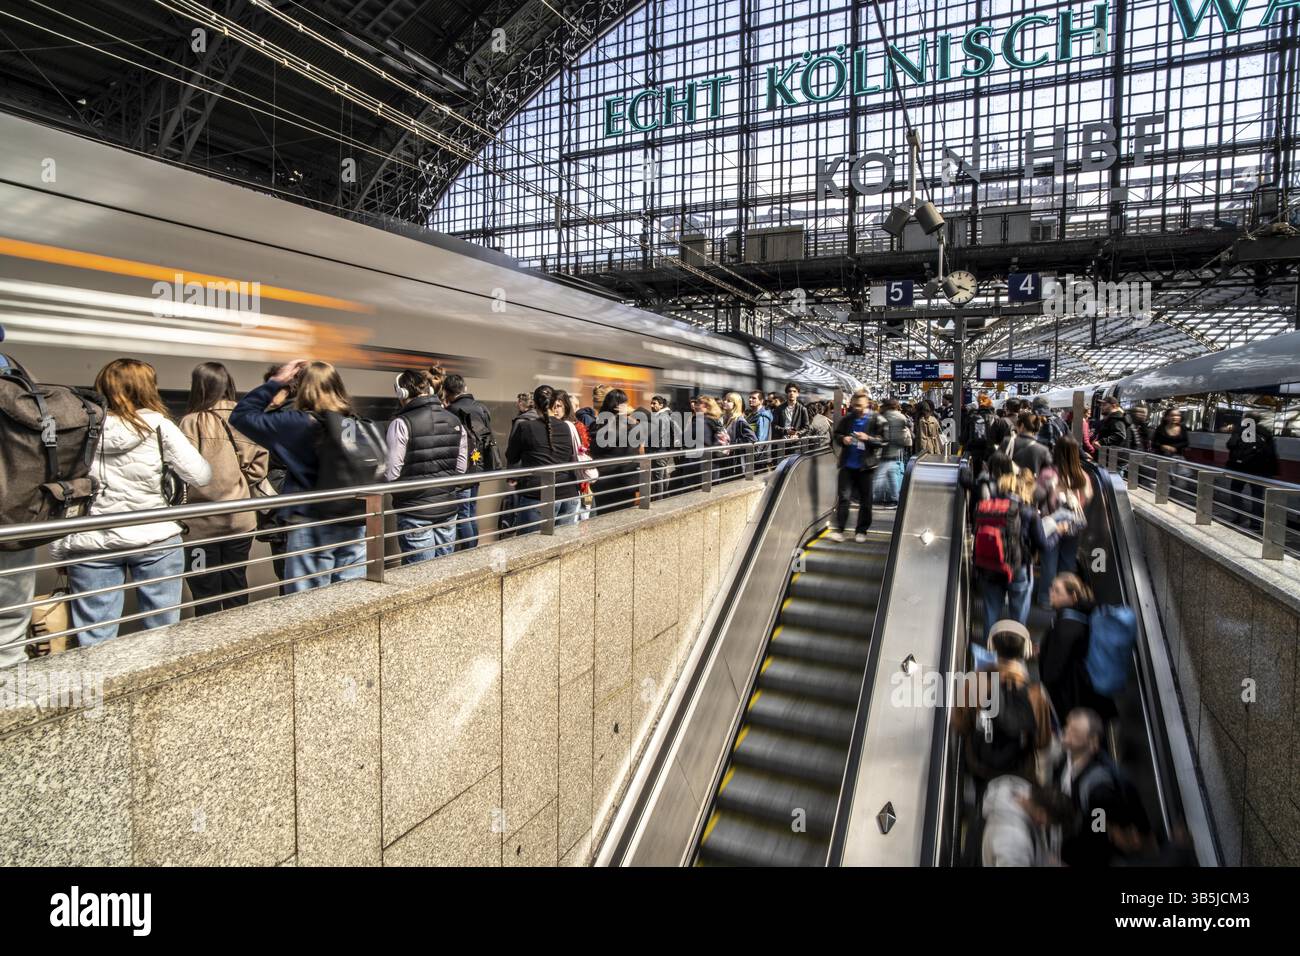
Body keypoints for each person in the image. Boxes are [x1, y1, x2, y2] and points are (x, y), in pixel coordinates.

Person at [52, 359, 212, 645]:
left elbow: (63, 490)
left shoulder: (78, 429)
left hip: (92, 543)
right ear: (147, 388)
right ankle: (160, 687)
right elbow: (201, 475)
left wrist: (59, 549)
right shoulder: (160, 426)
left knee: (95, 636)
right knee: (162, 633)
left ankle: (104, 688)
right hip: (155, 537)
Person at [232, 360, 368, 592]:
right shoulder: (353, 421)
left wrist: (276, 382)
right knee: (352, 596)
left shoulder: (298, 423)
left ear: (304, 388)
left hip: (312, 523)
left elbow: (241, 416)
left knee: (308, 606)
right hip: (354, 521)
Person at [179, 362, 269, 614]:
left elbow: (182, 471)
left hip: (200, 525)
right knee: (236, 582)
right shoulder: (246, 418)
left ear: (198, 387)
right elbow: (259, 467)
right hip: (240, 520)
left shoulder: (191, 422)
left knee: (204, 589)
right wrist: (236, 481)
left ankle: (211, 645)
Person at [952, 620, 1055, 785]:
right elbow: (1042, 741)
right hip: (1019, 770)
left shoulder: (974, 682)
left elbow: (960, 724)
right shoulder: (1036, 695)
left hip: (981, 765)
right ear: (1025, 650)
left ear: (991, 647)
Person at [386, 369, 466, 563]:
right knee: (444, 571)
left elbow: (392, 474)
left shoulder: (401, 423)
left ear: (402, 393)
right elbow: (461, 468)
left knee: (420, 575)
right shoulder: (454, 420)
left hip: (415, 512)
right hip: (447, 509)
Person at [1055, 707, 1152, 866]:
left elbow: (1098, 833)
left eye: (1075, 732)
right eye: (1067, 726)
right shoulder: (1067, 761)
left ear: (1092, 742)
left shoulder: (1099, 789)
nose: (1066, 732)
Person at [973, 454, 1050, 637]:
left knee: (991, 610)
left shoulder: (988, 507)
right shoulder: (1030, 513)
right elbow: (1043, 544)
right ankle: (1015, 651)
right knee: (1018, 613)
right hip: (1019, 566)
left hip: (991, 565)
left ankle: (989, 650)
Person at [1037, 572, 1117, 723]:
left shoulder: (1065, 626)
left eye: (1057, 590)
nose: (1051, 593)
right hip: (1088, 697)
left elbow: (1053, 673)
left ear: (1073, 596)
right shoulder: (1084, 618)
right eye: (1051, 588)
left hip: (1069, 701)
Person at [504, 385, 578, 532]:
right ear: (554, 404)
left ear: (535, 404)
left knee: (531, 548)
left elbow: (511, 456)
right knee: (564, 549)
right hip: (568, 494)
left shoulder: (525, 427)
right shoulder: (566, 427)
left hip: (537, 495)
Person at [1035, 435, 1092, 607]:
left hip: (1051, 525)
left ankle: (1046, 599)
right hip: (1074, 526)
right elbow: (1088, 497)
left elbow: (1036, 496)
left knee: (1049, 564)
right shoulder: (1082, 476)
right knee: (1067, 562)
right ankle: (1065, 602)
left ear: (1057, 452)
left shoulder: (1048, 474)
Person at [442, 373, 495, 550]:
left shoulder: (450, 412)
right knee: (471, 510)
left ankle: (470, 551)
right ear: (464, 388)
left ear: (447, 392)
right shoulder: (481, 408)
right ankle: (474, 547)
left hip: (462, 470)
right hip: (478, 466)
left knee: (463, 513)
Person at [981, 775, 1074, 867]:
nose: (1044, 826)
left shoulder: (1019, 793)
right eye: (1049, 823)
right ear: (1042, 815)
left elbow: (1039, 854)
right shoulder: (1014, 842)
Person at [829, 391, 882, 541]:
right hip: (847, 465)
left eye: (861, 405)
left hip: (866, 467)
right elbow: (837, 434)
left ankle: (861, 531)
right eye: (855, 405)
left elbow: (883, 440)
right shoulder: (847, 419)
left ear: (867, 404)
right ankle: (840, 529)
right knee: (844, 498)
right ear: (852, 404)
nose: (858, 408)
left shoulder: (875, 419)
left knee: (866, 500)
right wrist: (842, 438)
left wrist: (868, 438)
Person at [589, 388, 640, 514]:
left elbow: (595, 448)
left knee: (604, 517)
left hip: (604, 481)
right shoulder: (631, 426)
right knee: (625, 515)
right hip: (627, 481)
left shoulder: (598, 425)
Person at [1226, 413, 1277, 533]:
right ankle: (1255, 523)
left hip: (1241, 468)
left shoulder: (1240, 430)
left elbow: (1230, 445)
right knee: (1257, 496)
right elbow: (1271, 453)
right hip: (1259, 470)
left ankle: (1238, 516)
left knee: (1235, 490)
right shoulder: (1265, 432)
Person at [870, 397, 911, 505]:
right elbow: (909, 426)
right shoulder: (901, 417)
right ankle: (895, 497)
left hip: (884, 448)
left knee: (879, 475)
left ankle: (873, 496)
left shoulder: (882, 416)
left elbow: (877, 432)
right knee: (892, 473)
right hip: (896, 449)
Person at [1004, 411, 1053, 476]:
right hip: (1033, 484)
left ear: (1022, 426)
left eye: (1017, 426)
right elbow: (1049, 473)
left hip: (1011, 483)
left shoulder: (1008, 442)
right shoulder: (1043, 449)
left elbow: (996, 462)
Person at [721, 391, 756, 477]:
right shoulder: (726, 419)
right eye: (725, 399)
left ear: (735, 404)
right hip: (727, 460)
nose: (724, 402)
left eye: (729, 401)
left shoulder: (740, 420)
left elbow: (752, 438)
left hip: (736, 463)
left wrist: (733, 445)